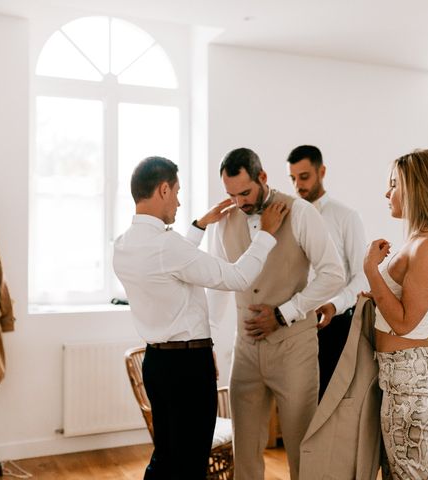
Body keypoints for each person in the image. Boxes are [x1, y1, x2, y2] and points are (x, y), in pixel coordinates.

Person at [113, 156, 288, 480]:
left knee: (166, 456)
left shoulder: (123, 245)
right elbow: (237, 277)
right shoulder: (167, 246)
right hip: (187, 369)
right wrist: (266, 235)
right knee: (192, 462)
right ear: (163, 189)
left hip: (157, 365)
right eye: (177, 192)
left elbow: (170, 264)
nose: (179, 201)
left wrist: (199, 226)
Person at [209, 147, 344, 480]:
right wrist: (208, 340)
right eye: (231, 194)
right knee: (246, 454)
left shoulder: (300, 212)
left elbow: (333, 274)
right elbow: (216, 284)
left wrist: (285, 313)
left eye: (245, 192)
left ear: (263, 178)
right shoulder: (223, 220)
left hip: (294, 348)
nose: (239, 202)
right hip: (246, 351)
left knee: (302, 450)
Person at [363, 149, 428, 479]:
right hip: (406, 374)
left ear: (417, 187)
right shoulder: (426, 241)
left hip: (410, 379)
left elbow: (406, 322)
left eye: (393, 184)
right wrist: (380, 296)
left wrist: (372, 272)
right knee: (401, 471)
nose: (387, 193)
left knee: (411, 474)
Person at [286, 145, 368, 400]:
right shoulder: (288, 217)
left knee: (331, 402)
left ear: (321, 171)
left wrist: (334, 305)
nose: (298, 185)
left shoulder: (346, 217)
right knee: (299, 401)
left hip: (335, 323)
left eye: (304, 176)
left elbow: (361, 277)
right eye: (293, 178)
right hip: (296, 321)